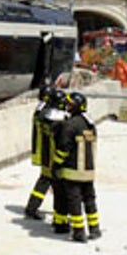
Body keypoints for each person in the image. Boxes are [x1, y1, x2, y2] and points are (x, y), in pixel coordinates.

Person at [54, 91, 100, 242]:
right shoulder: (91, 124)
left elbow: (63, 149)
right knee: (90, 200)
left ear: (75, 107)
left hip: (72, 172)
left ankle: (79, 232)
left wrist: (56, 164)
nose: (67, 106)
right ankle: (95, 229)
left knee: (74, 202)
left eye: (69, 104)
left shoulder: (70, 125)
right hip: (88, 171)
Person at [24, 86, 67, 225]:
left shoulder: (41, 110)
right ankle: (35, 209)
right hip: (49, 153)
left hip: (45, 152)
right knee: (49, 182)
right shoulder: (47, 114)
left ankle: (33, 208)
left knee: (45, 181)